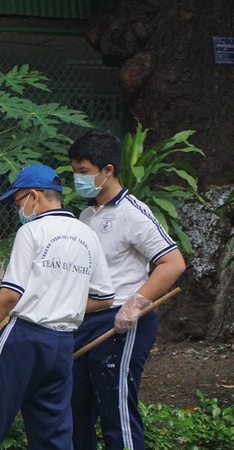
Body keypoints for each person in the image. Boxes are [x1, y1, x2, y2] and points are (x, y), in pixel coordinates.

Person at [0, 164, 115, 449]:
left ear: (34, 196)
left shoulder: (32, 232)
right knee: (52, 428)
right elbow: (105, 297)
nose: (20, 210)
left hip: (24, 338)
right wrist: (65, 302)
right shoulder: (87, 235)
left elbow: (9, 295)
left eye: (19, 202)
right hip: (63, 343)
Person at [69, 129, 186, 450]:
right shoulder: (86, 214)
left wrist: (134, 305)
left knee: (115, 407)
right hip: (86, 321)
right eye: (74, 172)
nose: (78, 179)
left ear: (108, 170)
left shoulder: (133, 213)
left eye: (84, 172)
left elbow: (173, 263)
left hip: (122, 323)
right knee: (76, 406)